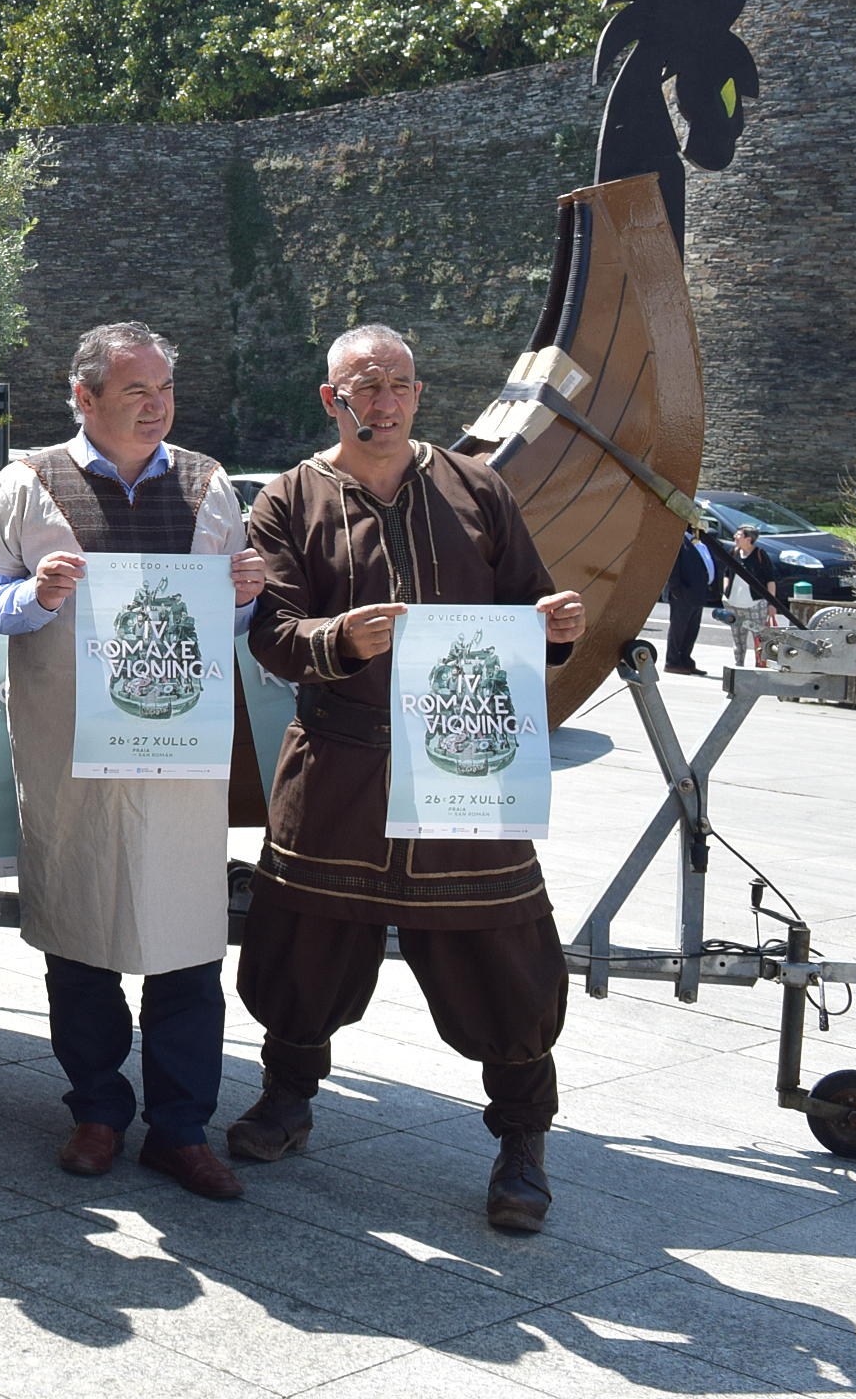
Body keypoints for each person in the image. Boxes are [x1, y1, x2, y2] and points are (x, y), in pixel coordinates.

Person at [232, 323, 588, 1234]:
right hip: (339, 769)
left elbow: (527, 610)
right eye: (363, 386)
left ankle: (522, 1146)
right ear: (332, 399)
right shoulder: (289, 499)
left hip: (467, 769)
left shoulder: (478, 489)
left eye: (397, 385)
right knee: (304, 944)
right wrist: (337, 640)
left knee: (503, 956)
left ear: (418, 395)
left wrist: (555, 624)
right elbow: (271, 631)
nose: (382, 401)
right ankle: (286, 1101)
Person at [0, 324, 264, 1201]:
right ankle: (97, 1111)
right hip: (75, 763)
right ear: (83, 397)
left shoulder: (209, 484)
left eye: (163, 388)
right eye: (134, 390)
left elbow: (229, 622)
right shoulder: (28, 484)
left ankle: (180, 1128)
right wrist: (34, 594)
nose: (155, 404)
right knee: (81, 939)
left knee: (187, 947)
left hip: (180, 759)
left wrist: (244, 600)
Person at [662, 523, 722, 676]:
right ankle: (673, 661)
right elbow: (672, 567)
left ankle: (686, 660)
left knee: (691, 630)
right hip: (682, 593)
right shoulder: (680, 541)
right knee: (678, 629)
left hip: (698, 592)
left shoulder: (699, 542)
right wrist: (676, 589)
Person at [722, 524, 787, 665]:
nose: (735, 537)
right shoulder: (733, 552)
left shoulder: (759, 555)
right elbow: (726, 573)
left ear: (748, 538)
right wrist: (725, 590)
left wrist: (772, 603)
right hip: (734, 604)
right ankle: (738, 665)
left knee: (760, 638)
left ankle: (760, 665)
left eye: (738, 535)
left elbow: (770, 580)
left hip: (756, 605)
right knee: (738, 639)